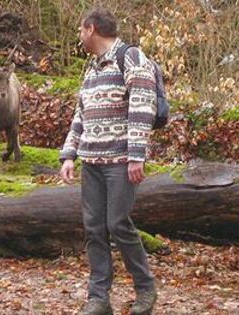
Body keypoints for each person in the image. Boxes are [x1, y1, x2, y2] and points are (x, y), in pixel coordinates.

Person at [59, 7, 158, 315]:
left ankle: (145, 290)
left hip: (120, 161)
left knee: (118, 224)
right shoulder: (91, 68)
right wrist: (69, 154)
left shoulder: (131, 57)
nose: (79, 36)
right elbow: (81, 114)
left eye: (80, 30)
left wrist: (136, 155)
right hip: (91, 162)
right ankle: (99, 298)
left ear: (91, 29)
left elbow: (143, 106)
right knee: (94, 228)